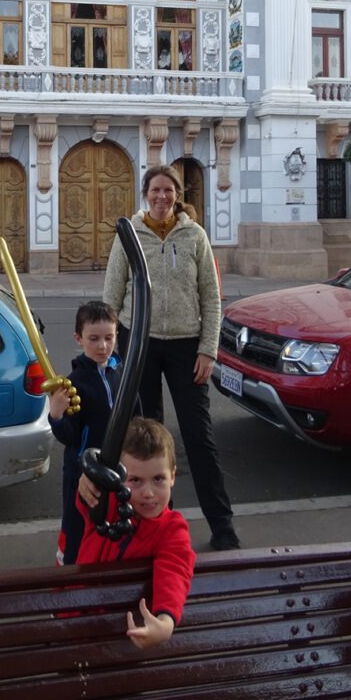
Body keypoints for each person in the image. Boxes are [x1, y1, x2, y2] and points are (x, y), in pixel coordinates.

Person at [103, 164, 240, 552]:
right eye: (155, 190)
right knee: (147, 440)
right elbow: (113, 291)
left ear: (177, 195)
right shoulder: (129, 234)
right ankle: (156, 526)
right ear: (145, 193)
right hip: (139, 343)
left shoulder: (195, 236)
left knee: (199, 437)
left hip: (185, 345)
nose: (161, 197)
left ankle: (222, 525)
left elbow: (211, 298)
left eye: (168, 190)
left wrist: (207, 350)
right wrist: (112, 347)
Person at [77, 417, 196, 650]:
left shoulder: (171, 530)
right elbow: (85, 502)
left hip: (120, 632)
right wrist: (86, 483)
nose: (148, 493)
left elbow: (175, 570)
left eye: (158, 479)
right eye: (136, 481)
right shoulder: (109, 503)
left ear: (173, 476)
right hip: (78, 616)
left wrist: (165, 621)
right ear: (120, 478)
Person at [48, 300, 140, 565]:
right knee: (78, 526)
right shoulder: (75, 383)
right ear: (79, 339)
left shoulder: (121, 373)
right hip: (82, 473)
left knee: (114, 524)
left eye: (109, 338)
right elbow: (68, 436)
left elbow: (135, 415)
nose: (102, 346)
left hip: (119, 470)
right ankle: (69, 571)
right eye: (94, 339)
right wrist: (56, 414)